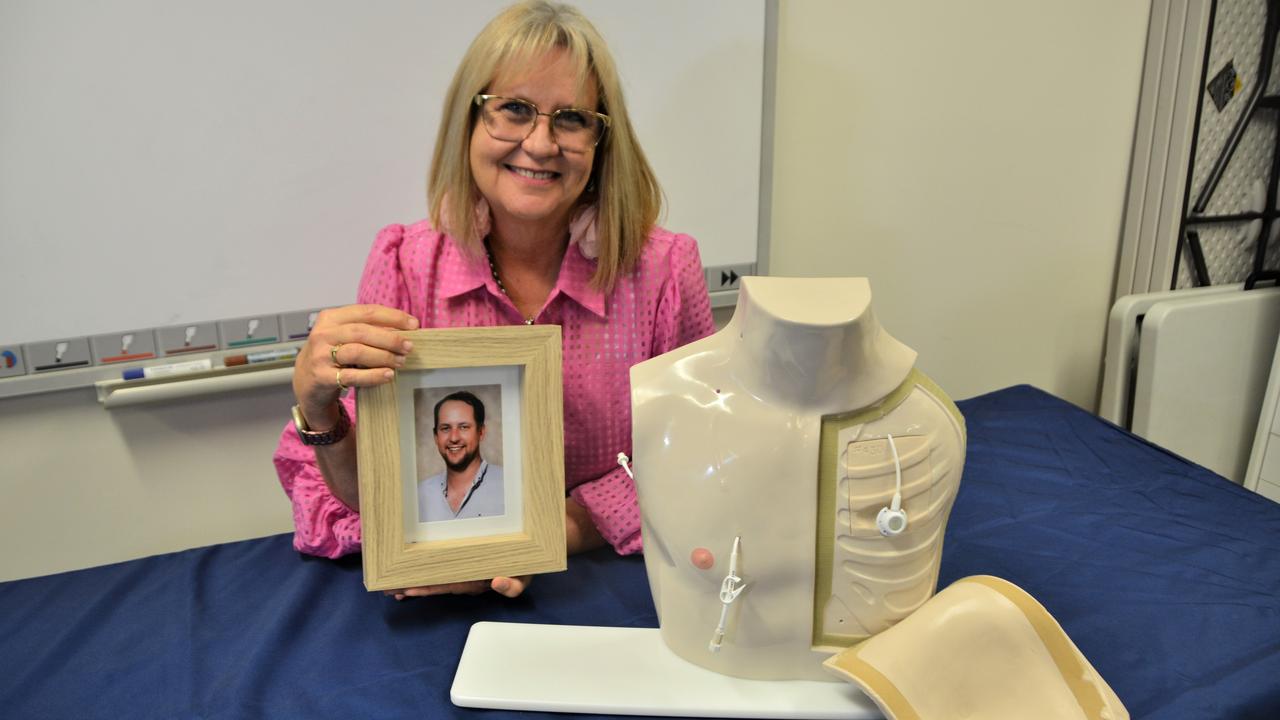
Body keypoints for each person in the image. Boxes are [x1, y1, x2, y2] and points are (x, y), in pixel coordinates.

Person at [273, 0, 714, 599]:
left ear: (601, 140)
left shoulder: (663, 270)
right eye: (513, 109)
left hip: (612, 580)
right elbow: (374, 494)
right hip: (439, 592)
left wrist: (551, 531)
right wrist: (319, 412)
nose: (540, 143)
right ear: (469, 122)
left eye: (572, 119)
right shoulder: (404, 263)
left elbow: (695, 463)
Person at [418, 391, 504, 522]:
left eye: (463, 427)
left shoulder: (510, 486)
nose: (453, 438)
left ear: (481, 432)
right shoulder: (419, 494)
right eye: (445, 428)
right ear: (436, 437)